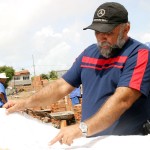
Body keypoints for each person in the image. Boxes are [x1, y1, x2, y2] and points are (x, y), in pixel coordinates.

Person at [3, 2, 150, 146]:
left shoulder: (139, 54)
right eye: (97, 32)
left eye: (108, 32)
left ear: (126, 29)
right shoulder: (89, 53)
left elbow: (122, 100)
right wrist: (25, 103)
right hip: (92, 141)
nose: (101, 37)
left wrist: (82, 128)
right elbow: (61, 86)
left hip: (127, 142)